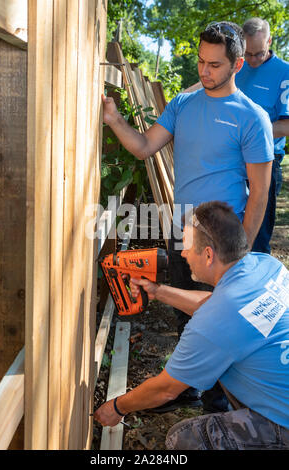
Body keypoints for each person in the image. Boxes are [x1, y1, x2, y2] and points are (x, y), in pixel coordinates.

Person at [102, 21, 274, 412]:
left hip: (225, 239)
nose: (204, 71)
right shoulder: (182, 104)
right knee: (187, 314)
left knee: (222, 326)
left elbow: (260, 192)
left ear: (237, 65)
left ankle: (226, 408)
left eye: (214, 65)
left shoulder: (252, 118)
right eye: (200, 61)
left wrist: (240, 250)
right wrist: (114, 120)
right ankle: (191, 389)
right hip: (185, 230)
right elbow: (146, 147)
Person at [94, 201, 289, 450]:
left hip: (284, 423)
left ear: (208, 255)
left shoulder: (217, 320)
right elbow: (215, 305)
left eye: (186, 246)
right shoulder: (265, 266)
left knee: (185, 439)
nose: (183, 253)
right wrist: (158, 291)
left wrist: (117, 407)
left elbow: (166, 389)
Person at [235, 17, 289, 254]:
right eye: (247, 54)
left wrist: (250, 132)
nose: (252, 60)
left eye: (258, 53)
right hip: (232, 162)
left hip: (265, 163)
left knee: (256, 239)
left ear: (269, 41)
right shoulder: (237, 65)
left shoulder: (284, 73)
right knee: (229, 234)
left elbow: (286, 126)